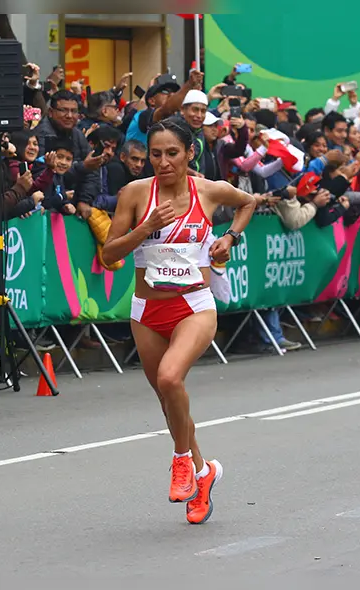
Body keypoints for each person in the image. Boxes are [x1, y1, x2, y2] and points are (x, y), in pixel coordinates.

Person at [101, 119, 256, 524]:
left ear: (190, 153)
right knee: (169, 402)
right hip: (147, 311)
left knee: (171, 378)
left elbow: (248, 203)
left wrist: (230, 238)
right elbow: (108, 255)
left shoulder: (208, 191)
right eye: (156, 154)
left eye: (173, 153)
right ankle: (203, 475)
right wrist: (146, 228)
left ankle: (182, 460)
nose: (164, 161)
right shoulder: (135, 194)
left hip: (194, 305)